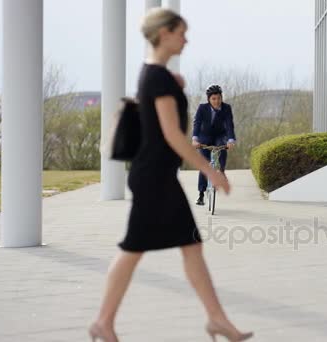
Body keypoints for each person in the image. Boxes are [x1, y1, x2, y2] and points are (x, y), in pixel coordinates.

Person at [89, 9, 252, 342]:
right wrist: (210, 170)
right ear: (164, 33)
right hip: (154, 179)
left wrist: (176, 90)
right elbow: (173, 135)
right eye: (181, 33)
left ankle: (217, 319)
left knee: (190, 246)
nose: (186, 39)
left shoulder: (153, 74)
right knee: (134, 248)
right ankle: (103, 323)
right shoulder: (158, 77)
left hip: (157, 176)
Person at [192, 85, 236, 206]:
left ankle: (221, 171)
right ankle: (201, 194)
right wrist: (195, 139)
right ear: (209, 100)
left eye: (219, 98)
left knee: (222, 149)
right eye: (214, 99)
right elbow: (197, 124)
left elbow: (229, 125)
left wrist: (231, 140)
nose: (217, 101)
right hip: (204, 136)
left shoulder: (226, 108)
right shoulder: (202, 108)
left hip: (219, 136)